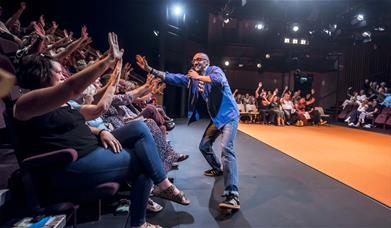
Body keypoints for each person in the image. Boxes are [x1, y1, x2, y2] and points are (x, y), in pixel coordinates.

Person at [13, 33, 189, 228]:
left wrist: (100, 130)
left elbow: (97, 110)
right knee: (143, 162)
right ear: (42, 74)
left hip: (91, 149)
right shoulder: (24, 103)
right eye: (58, 72)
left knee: (139, 127)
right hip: (71, 165)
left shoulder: (64, 104)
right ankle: (144, 216)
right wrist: (108, 61)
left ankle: (161, 188)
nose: (63, 75)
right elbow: (72, 87)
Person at [136, 52, 240, 210]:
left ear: (207, 61)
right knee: (204, 146)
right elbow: (172, 77)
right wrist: (150, 69)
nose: (196, 62)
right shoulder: (192, 78)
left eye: (199, 59)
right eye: (194, 60)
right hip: (217, 119)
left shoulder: (215, 70)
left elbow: (218, 81)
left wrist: (197, 77)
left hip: (229, 116)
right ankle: (218, 169)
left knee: (226, 148)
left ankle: (232, 195)